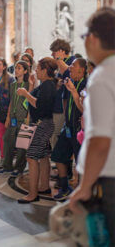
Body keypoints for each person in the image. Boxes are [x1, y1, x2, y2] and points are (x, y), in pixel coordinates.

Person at [70, 7, 115, 245]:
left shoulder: (102, 77)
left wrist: (84, 187)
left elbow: (100, 141)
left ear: (93, 38)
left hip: (107, 178)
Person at [17, 57, 57, 203]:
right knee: (44, 155)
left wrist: (26, 94)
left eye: (38, 68)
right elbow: (34, 99)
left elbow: (39, 105)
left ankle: (32, 194)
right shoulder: (46, 84)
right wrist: (32, 86)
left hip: (42, 124)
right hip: (42, 123)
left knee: (31, 156)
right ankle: (44, 186)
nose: (36, 71)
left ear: (46, 70)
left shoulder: (48, 86)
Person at [51, 58, 87, 201]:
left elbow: (83, 108)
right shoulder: (69, 81)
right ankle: (65, 187)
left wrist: (73, 91)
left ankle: (82, 193)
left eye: (73, 66)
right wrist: (66, 118)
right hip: (68, 127)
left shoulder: (86, 84)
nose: (70, 68)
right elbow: (65, 101)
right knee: (58, 156)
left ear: (82, 70)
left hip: (79, 130)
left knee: (80, 162)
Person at [0, 60, 31, 177]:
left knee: (22, 144)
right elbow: (11, 101)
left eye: (20, 68)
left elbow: (30, 101)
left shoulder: (28, 85)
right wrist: (7, 117)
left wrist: (28, 117)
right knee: (7, 140)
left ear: (25, 71)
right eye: (16, 68)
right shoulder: (13, 85)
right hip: (13, 117)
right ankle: (7, 165)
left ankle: (19, 167)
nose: (16, 70)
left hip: (23, 117)